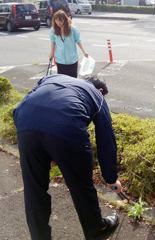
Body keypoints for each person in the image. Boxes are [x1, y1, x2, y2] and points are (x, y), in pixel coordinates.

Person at [13, 74, 122, 240]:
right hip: (67, 126)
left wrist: (44, 147)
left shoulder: (54, 77)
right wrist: (111, 178)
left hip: (25, 123)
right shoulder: (96, 95)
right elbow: (106, 139)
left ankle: (39, 236)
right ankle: (95, 230)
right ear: (100, 90)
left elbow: (31, 100)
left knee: (33, 188)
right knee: (81, 185)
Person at [49, 10, 88, 78]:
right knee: (62, 80)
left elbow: (78, 40)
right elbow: (53, 41)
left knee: (72, 80)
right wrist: (51, 53)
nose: (58, 23)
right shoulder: (53, 30)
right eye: (56, 20)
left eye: (60, 20)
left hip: (72, 59)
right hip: (60, 59)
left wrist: (84, 52)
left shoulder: (72, 29)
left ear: (65, 20)